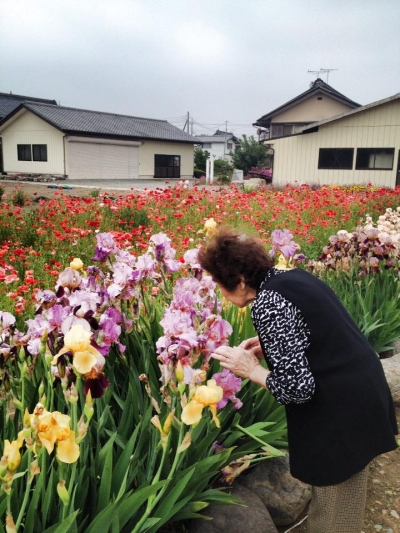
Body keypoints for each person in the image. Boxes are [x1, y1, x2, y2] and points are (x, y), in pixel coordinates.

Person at [197, 227, 398, 533]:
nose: (220, 293)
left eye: (219, 284)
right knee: (335, 502)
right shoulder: (290, 278)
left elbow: (296, 389)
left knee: (336, 517)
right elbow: (320, 334)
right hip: (360, 393)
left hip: (342, 413)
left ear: (238, 281)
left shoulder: (268, 302)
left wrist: (250, 368)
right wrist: (273, 348)